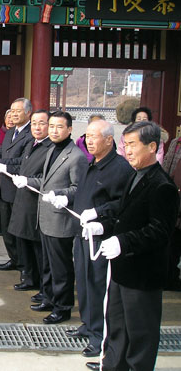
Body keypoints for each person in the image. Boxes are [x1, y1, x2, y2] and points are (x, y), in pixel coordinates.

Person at [86, 121, 178, 371]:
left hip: (143, 274)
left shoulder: (163, 186)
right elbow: (124, 213)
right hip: (121, 269)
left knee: (140, 333)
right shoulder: (134, 175)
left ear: (152, 146)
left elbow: (159, 231)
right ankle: (113, 366)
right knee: (117, 327)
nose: (127, 151)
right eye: (125, 145)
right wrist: (102, 226)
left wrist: (123, 241)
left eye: (132, 145)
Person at [13, 111, 87, 324]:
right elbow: (45, 181)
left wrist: (61, 194)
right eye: (52, 126)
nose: (54, 131)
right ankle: (48, 297)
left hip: (60, 220)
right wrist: (27, 181)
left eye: (59, 127)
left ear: (70, 129)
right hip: (45, 216)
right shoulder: (52, 149)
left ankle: (62, 307)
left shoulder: (76, 156)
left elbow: (78, 188)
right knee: (47, 264)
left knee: (61, 268)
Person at [70, 120, 134, 358]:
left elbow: (123, 203)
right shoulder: (93, 162)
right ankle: (88, 324)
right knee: (84, 283)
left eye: (94, 136)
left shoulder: (120, 168)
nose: (89, 141)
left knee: (99, 287)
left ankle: (100, 336)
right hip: (83, 235)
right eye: (87, 136)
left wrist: (99, 214)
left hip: (102, 237)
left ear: (109, 140)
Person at [0, 110, 52, 294]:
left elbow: (46, 177)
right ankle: (30, 277)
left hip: (35, 201)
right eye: (34, 123)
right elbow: (20, 164)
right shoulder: (33, 143)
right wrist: (1, 164)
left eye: (42, 123)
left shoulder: (50, 147)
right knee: (22, 240)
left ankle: (42, 287)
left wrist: (25, 179)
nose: (37, 127)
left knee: (36, 247)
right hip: (22, 197)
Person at [0, 98, 33, 271]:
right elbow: (0, 152)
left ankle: (25, 265)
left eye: (18, 111)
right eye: (12, 111)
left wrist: (2, 164)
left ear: (28, 113)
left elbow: (24, 161)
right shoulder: (10, 132)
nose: (13, 114)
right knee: (7, 229)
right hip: (5, 188)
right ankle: (14, 259)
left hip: (20, 189)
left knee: (19, 231)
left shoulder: (31, 134)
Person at [162, 134, 181, 290]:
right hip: (175, 199)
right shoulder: (176, 142)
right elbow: (167, 167)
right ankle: (170, 277)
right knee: (173, 242)